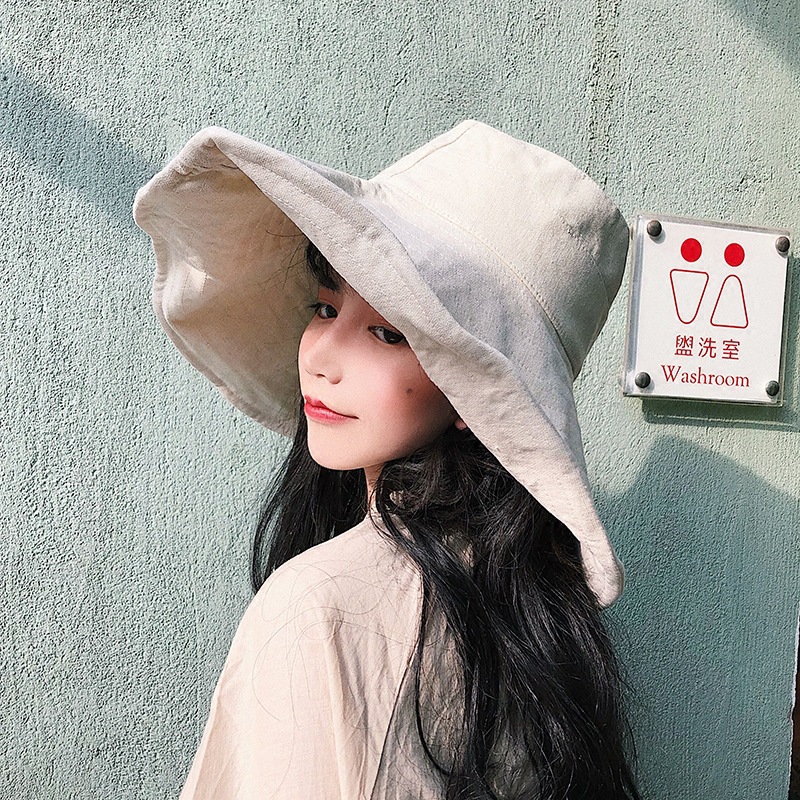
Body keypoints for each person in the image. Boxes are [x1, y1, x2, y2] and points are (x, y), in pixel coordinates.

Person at [133, 119, 641, 799]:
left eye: (386, 332)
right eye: (324, 307)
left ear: (474, 394)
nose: (321, 355)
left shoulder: (320, 605)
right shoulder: (539, 615)